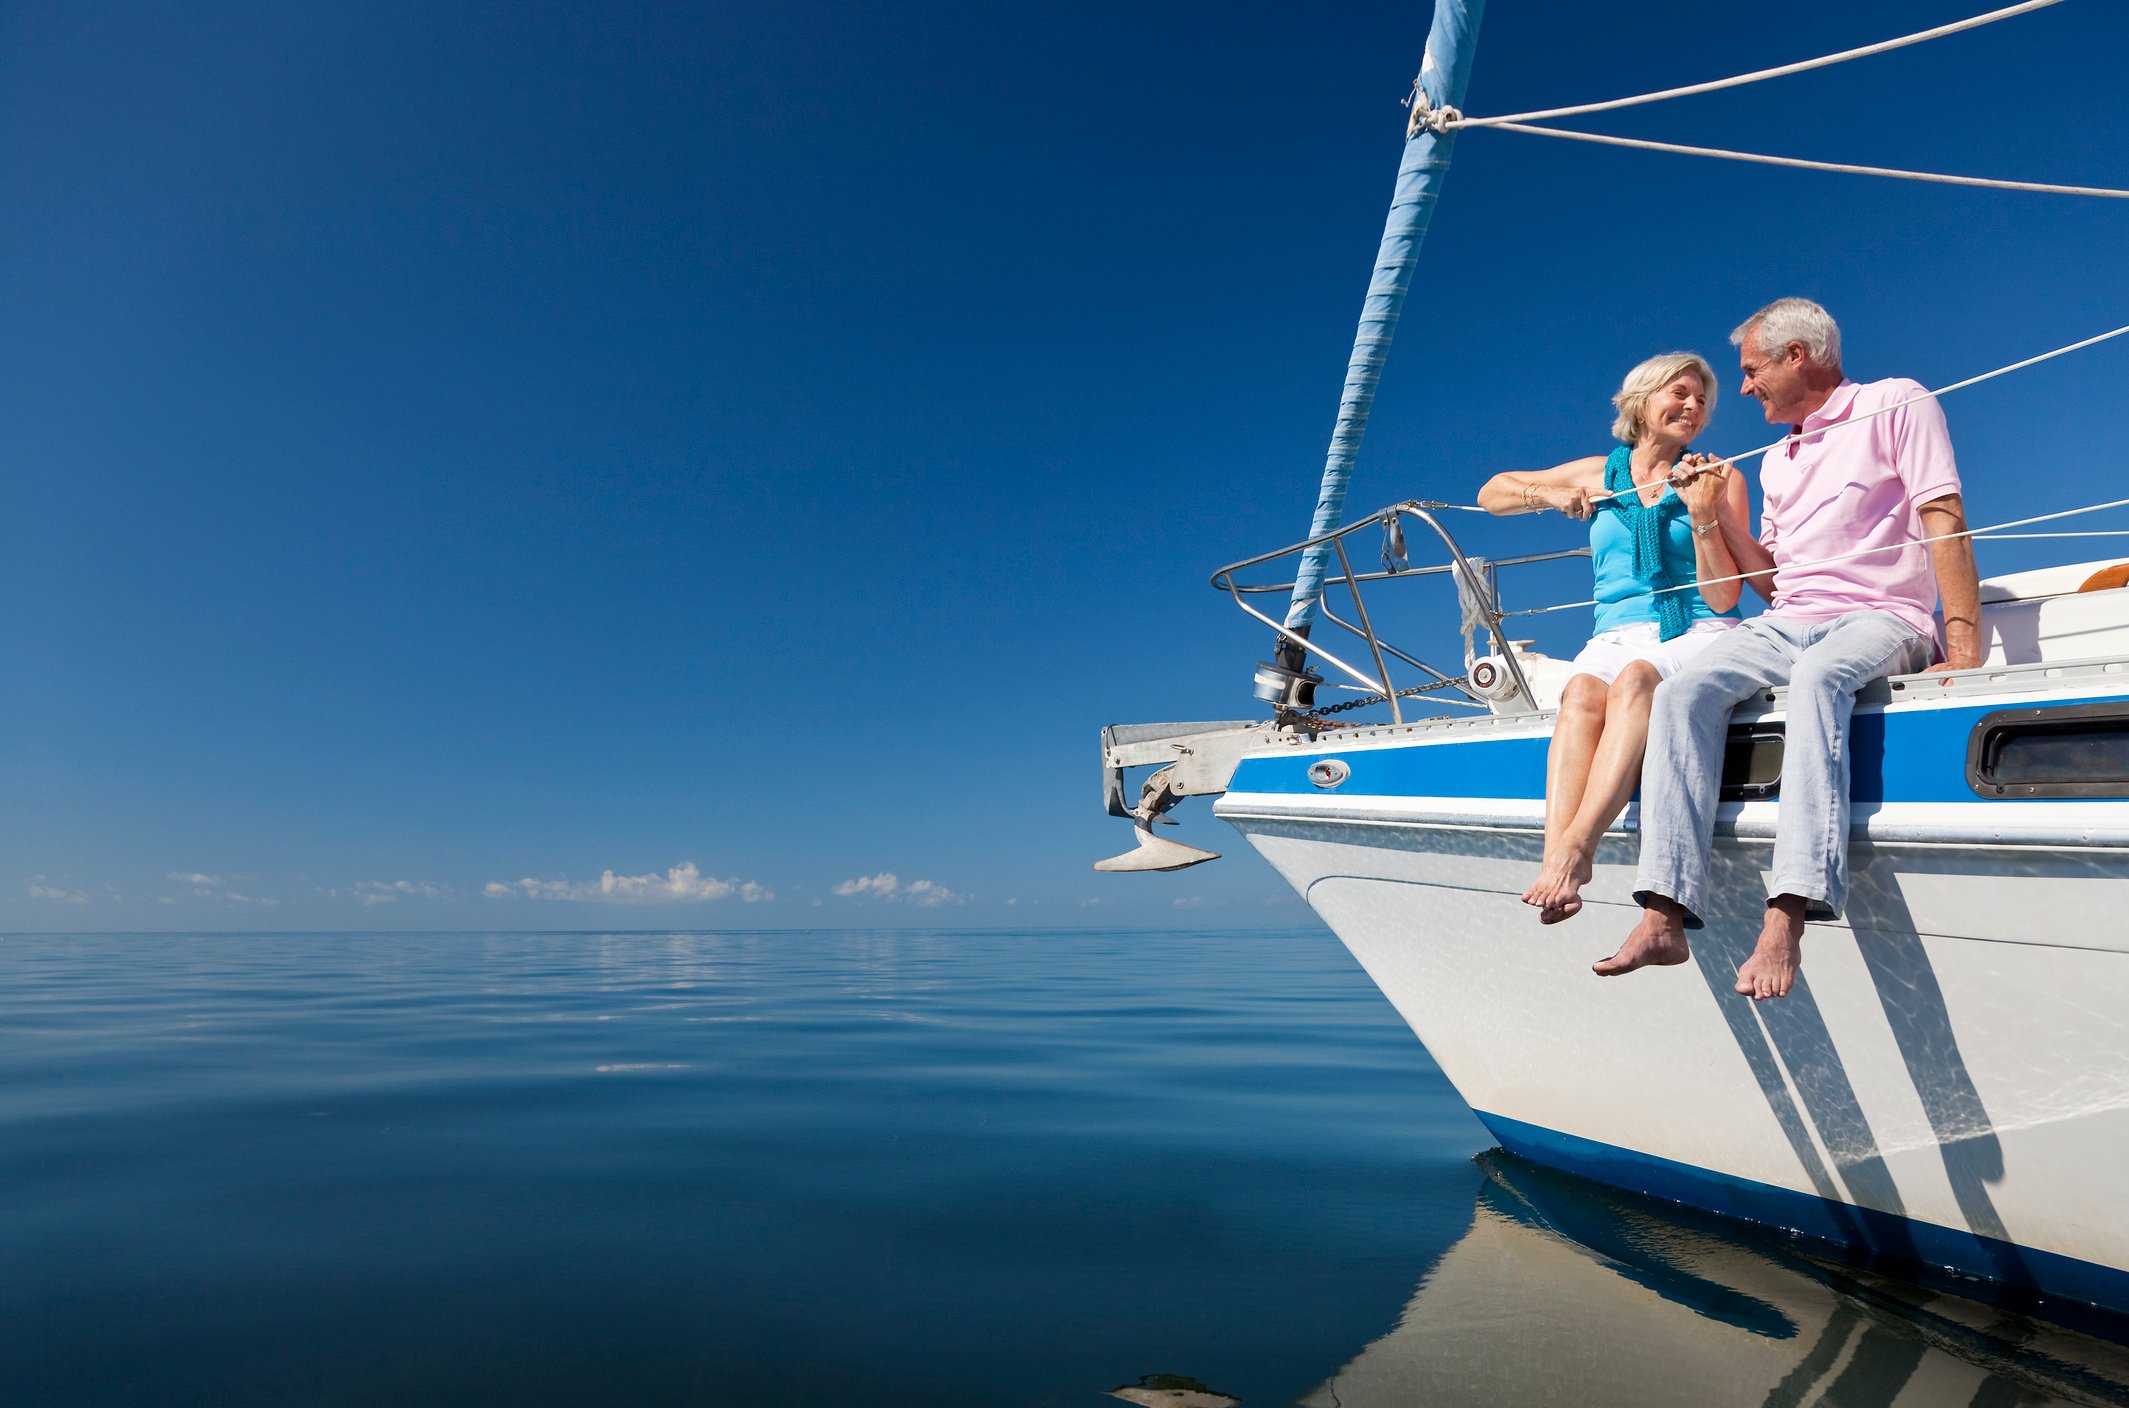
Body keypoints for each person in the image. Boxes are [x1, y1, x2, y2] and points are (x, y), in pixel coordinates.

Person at [1595, 298, 1983, 999]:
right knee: (1681, 693)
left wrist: (1962, 646)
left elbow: (1942, 513)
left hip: (1880, 614)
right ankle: (1663, 913)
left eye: (1749, 371)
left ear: (1795, 356)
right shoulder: (1777, 459)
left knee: (1817, 680)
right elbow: (1771, 584)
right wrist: (1708, 514)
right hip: (1790, 618)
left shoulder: (1894, 402)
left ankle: (1787, 915)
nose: (1741, 389)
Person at [1478, 353, 1750, 923]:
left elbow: (1726, 597)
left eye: (1701, 400)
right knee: (1579, 696)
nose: (1693, 407)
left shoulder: (1721, 476)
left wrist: (1702, 511)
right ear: (1642, 402)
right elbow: (1492, 493)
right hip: (1615, 630)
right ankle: (1556, 858)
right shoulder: (1598, 471)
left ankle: (1577, 850)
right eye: (1680, 394)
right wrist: (1548, 498)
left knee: (1635, 681)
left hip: (1697, 624)